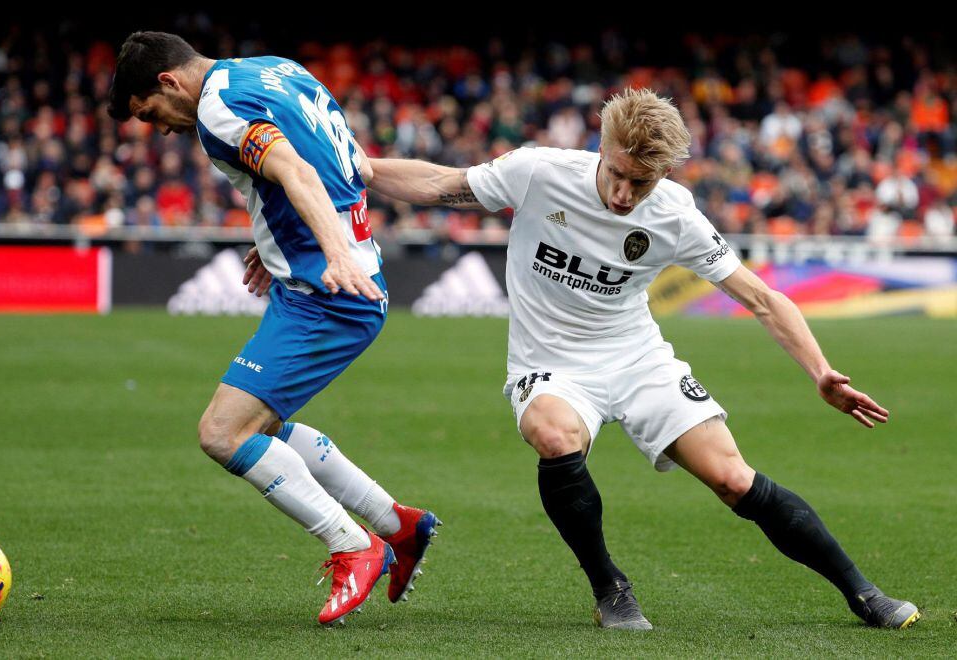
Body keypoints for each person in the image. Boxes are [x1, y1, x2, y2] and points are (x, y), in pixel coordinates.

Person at [361, 88, 919, 630]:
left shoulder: (675, 215)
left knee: (732, 478)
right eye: (618, 175)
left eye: (642, 183)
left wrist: (820, 371)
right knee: (554, 436)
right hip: (550, 364)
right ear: (601, 149)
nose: (625, 195)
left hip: (637, 358)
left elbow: (762, 298)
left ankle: (863, 592)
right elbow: (441, 183)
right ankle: (610, 588)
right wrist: (360, 169)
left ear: (665, 174)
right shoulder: (538, 171)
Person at [106, 31, 439, 627]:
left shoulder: (217, 109)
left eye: (149, 113)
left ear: (168, 82)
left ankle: (353, 545)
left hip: (328, 294)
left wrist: (331, 252)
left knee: (222, 433)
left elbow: (296, 171)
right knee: (260, 427)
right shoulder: (275, 70)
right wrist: (276, 237)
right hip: (319, 282)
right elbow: (341, 161)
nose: (160, 130)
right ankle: (399, 525)